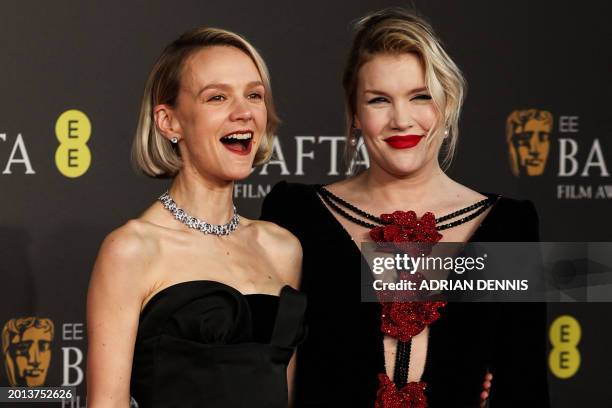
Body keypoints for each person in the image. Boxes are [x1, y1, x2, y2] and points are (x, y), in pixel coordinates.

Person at [261, 8, 549, 407]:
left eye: (420, 97)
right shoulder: (296, 214)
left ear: (447, 105)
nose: (401, 119)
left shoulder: (507, 225)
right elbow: (261, 368)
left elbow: (525, 384)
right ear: (356, 114)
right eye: (379, 100)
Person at [86, 27, 306, 408]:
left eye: (254, 95)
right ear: (169, 122)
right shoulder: (132, 249)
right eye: (217, 97)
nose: (244, 112)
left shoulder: (282, 248)